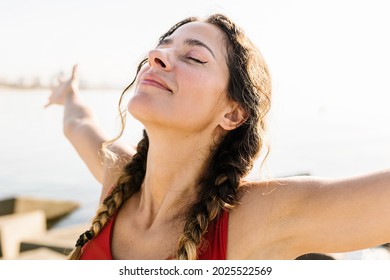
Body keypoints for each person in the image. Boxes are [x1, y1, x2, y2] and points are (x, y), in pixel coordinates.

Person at [45, 14, 390, 260]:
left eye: (194, 56)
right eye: (161, 48)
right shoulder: (119, 177)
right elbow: (77, 122)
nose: (156, 57)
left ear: (233, 113)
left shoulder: (254, 219)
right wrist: (68, 94)